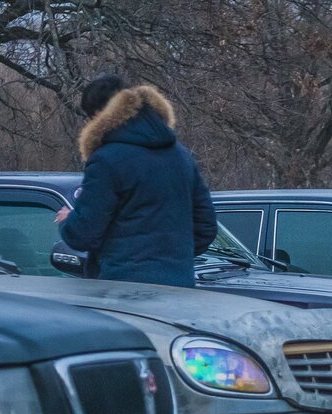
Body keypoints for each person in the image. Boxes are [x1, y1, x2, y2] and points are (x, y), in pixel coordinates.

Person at [55, 74, 215, 287]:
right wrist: (171, 258)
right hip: (179, 288)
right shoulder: (181, 156)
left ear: (99, 115)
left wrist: (69, 220)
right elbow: (206, 227)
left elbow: (84, 234)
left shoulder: (106, 159)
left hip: (124, 290)